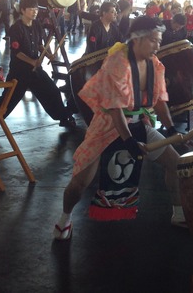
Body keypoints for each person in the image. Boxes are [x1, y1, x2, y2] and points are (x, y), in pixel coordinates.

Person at [53, 16, 184, 240]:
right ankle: (64, 219)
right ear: (137, 39)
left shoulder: (154, 64)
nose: (157, 46)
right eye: (153, 41)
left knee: (176, 164)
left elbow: (159, 101)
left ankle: (179, 214)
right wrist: (129, 141)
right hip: (107, 126)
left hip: (138, 122)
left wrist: (171, 129)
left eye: (159, 41)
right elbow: (115, 110)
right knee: (81, 182)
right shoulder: (117, 62)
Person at [0, 0, 76, 128]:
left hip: (35, 71)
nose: (35, 12)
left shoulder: (36, 24)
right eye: (31, 9)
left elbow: (39, 45)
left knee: (52, 91)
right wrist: (32, 61)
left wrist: (48, 55)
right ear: (22, 10)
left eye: (36, 9)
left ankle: (63, 117)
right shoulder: (16, 28)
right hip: (19, 72)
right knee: (9, 99)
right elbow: (17, 52)